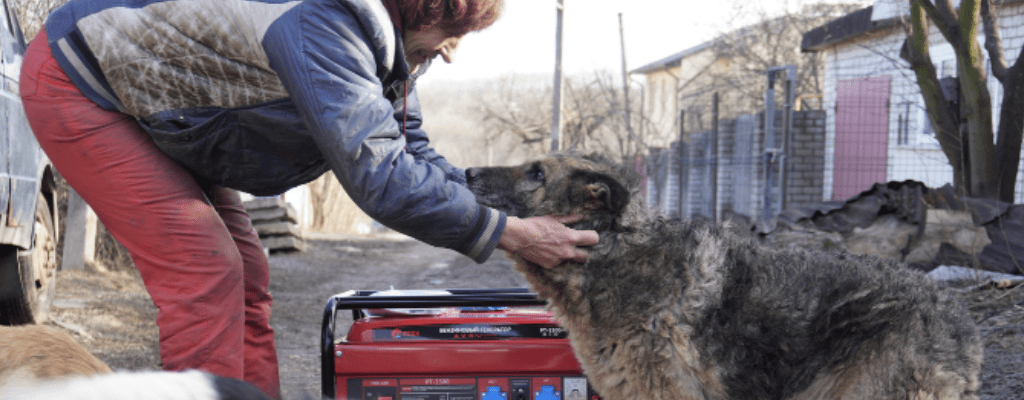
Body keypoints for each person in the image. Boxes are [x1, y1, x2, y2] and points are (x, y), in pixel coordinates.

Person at [20, 0, 598, 398]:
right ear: (425, 6)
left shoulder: (385, 48)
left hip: (165, 102)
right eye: (457, 30)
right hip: (82, 81)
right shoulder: (326, 23)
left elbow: (413, 153)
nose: (454, 51)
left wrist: (506, 217)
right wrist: (511, 236)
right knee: (205, 273)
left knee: (247, 271)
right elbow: (383, 177)